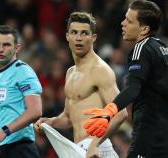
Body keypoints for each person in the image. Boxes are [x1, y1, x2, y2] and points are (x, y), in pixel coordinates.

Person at [82, 1, 168, 158]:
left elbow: (133, 88)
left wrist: (109, 111)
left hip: (150, 136)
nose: (123, 24)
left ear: (144, 29)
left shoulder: (141, 49)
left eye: (129, 21)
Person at [34, 12, 125, 157]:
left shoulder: (99, 70)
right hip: (80, 148)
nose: (78, 38)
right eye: (74, 32)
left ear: (93, 38)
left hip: (96, 147)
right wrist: (51, 122)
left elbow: (121, 114)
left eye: (84, 33)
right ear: (67, 36)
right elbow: (69, 118)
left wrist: (95, 145)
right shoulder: (71, 72)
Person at [0, 25, 43, 158]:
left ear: (17, 48)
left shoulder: (23, 71)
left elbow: (35, 111)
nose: (1, 49)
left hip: (21, 149)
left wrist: (3, 132)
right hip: (3, 148)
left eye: (6, 45)